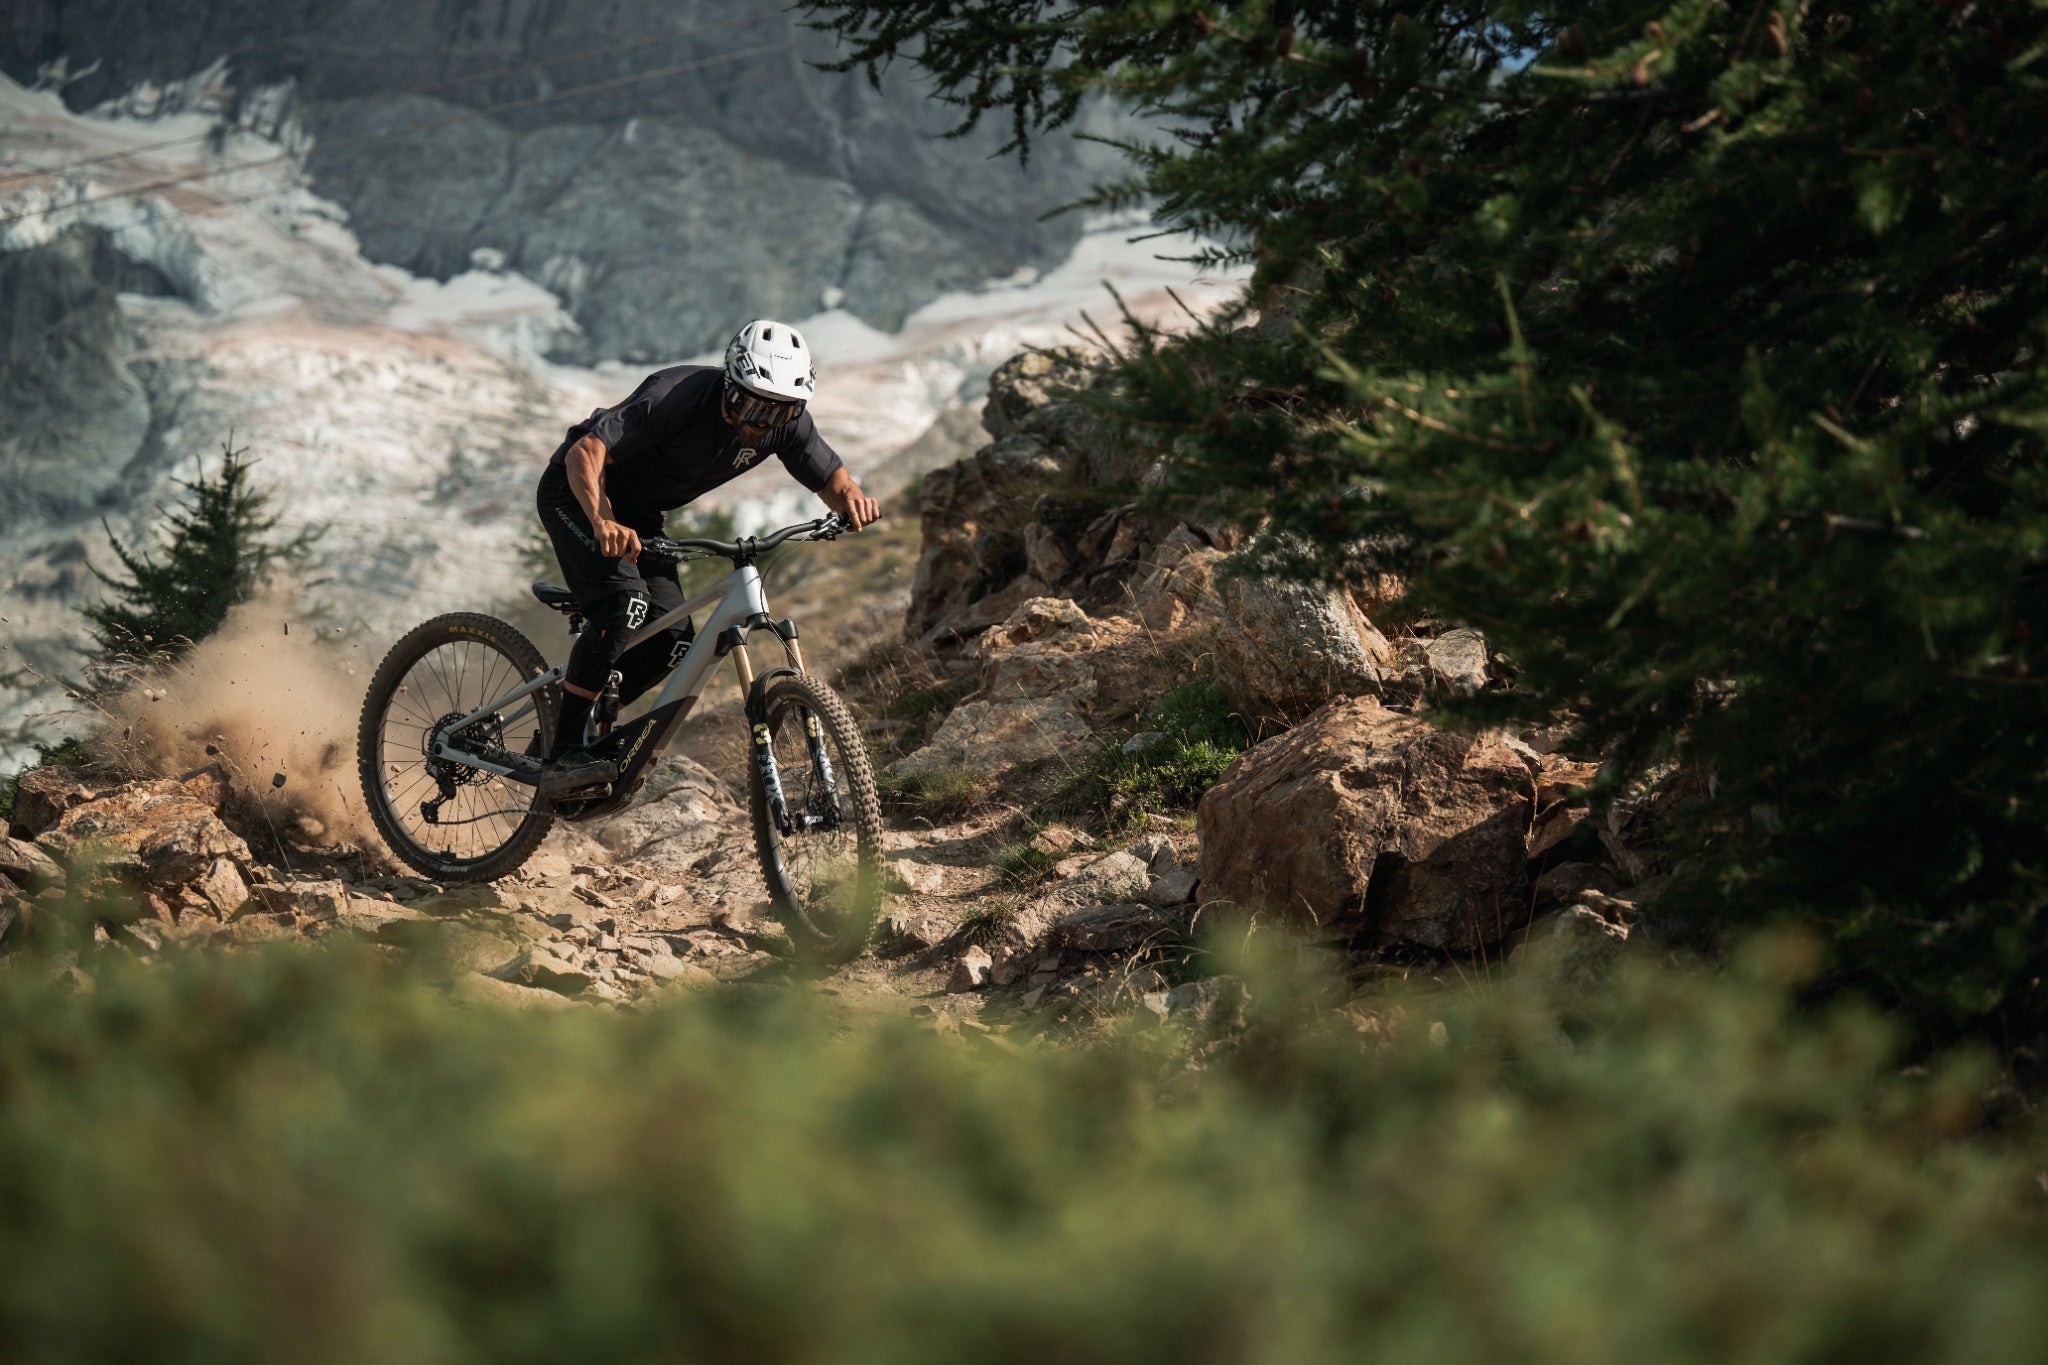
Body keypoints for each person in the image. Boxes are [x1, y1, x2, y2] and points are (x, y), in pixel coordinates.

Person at [533, 318, 880, 794]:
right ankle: (563, 752)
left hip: (641, 518)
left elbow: (832, 478)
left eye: (777, 412)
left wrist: (853, 500)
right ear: (730, 382)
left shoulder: (786, 422)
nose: (761, 423)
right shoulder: (675, 394)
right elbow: (585, 452)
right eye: (752, 404)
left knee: (674, 641)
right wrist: (602, 522)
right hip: (580, 495)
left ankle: (583, 712)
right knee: (626, 603)